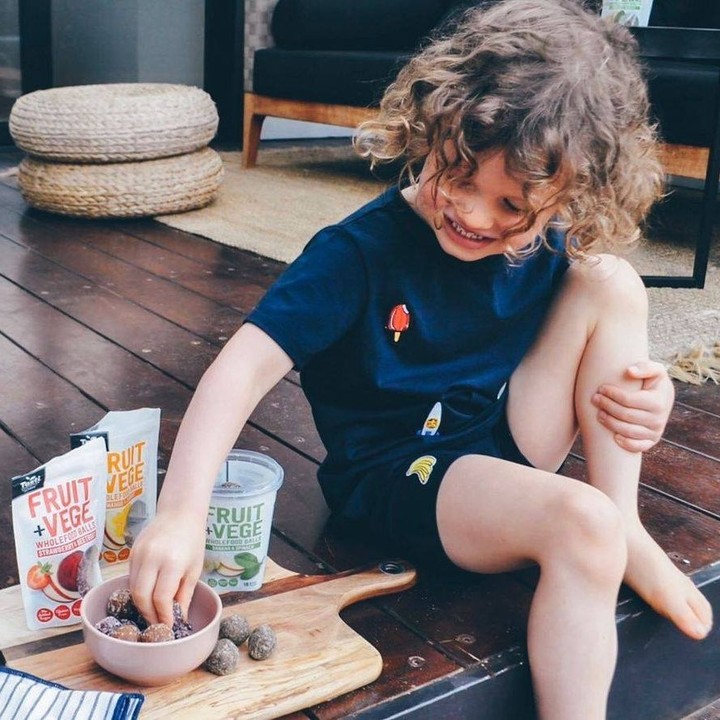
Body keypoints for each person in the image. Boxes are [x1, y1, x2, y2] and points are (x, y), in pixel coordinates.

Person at [130, 1, 712, 717]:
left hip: (494, 441)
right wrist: (181, 514)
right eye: (458, 179)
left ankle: (625, 521)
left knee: (612, 281)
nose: (475, 216)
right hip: (396, 476)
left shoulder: (553, 235)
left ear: (570, 191)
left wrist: (644, 403)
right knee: (578, 522)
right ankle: (602, 532)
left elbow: (602, 355)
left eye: (512, 206)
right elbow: (241, 368)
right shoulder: (356, 254)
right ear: (430, 128)